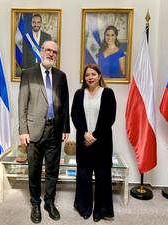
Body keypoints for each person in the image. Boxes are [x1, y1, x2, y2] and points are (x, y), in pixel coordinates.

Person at [18, 40, 70, 224]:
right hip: (33, 131)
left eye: (54, 51)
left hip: (55, 131)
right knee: (34, 170)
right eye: (48, 50)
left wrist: (65, 128)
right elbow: (22, 104)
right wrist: (23, 130)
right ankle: (35, 204)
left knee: (52, 170)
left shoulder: (61, 76)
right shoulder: (28, 74)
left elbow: (65, 104)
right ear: (41, 51)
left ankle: (49, 202)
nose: (51, 54)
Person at [71, 64, 116, 222]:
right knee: (84, 175)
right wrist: (85, 133)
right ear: (84, 78)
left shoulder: (108, 93)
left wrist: (94, 135)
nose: (90, 77)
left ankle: (101, 210)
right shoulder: (79, 94)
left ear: (99, 76)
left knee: (102, 175)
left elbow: (110, 118)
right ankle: (84, 207)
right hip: (84, 141)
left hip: (102, 142)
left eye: (93, 74)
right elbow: (74, 115)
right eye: (87, 75)